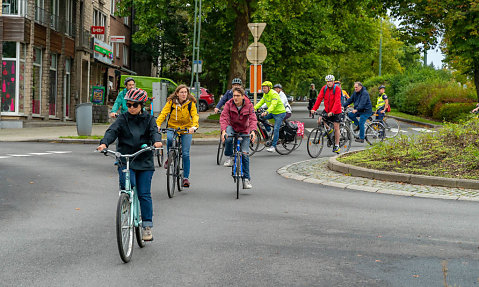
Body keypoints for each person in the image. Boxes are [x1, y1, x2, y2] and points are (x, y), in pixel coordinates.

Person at [97, 88, 162, 241]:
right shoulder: (123, 118)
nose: (131, 108)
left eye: (134, 105)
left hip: (144, 159)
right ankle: (126, 202)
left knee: (144, 193)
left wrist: (157, 141)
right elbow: (112, 131)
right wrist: (104, 143)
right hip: (126, 158)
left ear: (141, 105)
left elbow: (154, 131)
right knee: (127, 186)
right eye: (128, 105)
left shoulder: (149, 119)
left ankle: (146, 226)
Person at [156, 84, 199, 188]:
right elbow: (163, 114)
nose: (184, 94)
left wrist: (194, 126)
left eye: (185, 92)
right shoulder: (171, 103)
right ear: (177, 94)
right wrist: (157, 124)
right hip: (173, 127)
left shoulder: (191, 103)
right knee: (170, 139)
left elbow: (194, 115)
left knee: (185, 154)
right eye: (182, 92)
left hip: (186, 129)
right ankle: (169, 157)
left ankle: (185, 178)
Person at [220, 86, 257, 189]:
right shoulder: (229, 104)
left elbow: (253, 119)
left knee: (245, 154)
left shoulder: (249, 105)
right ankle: (230, 157)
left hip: (244, 130)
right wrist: (223, 131)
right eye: (234, 95)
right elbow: (224, 117)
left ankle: (246, 179)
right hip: (232, 127)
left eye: (238, 96)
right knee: (228, 138)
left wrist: (253, 132)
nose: (235, 98)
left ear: (243, 96)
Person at [310, 75, 343, 154]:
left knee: (336, 127)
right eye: (328, 81)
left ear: (333, 82)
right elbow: (319, 99)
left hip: (336, 111)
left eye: (330, 81)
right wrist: (314, 108)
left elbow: (337, 101)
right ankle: (328, 129)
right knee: (319, 120)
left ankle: (337, 145)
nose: (329, 83)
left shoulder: (337, 89)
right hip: (327, 110)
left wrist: (332, 111)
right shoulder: (324, 89)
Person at [253, 81, 287, 153]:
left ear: (269, 88)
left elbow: (273, 105)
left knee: (276, 129)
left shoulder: (274, 94)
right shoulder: (265, 94)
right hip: (273, 112)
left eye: (265, 88)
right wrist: (253, 108)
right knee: (260, 118)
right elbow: (261, 102)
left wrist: (267, 112)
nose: (263, 89)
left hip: (280, 113)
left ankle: (273, 147)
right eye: (263, 88)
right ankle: (268, 131)